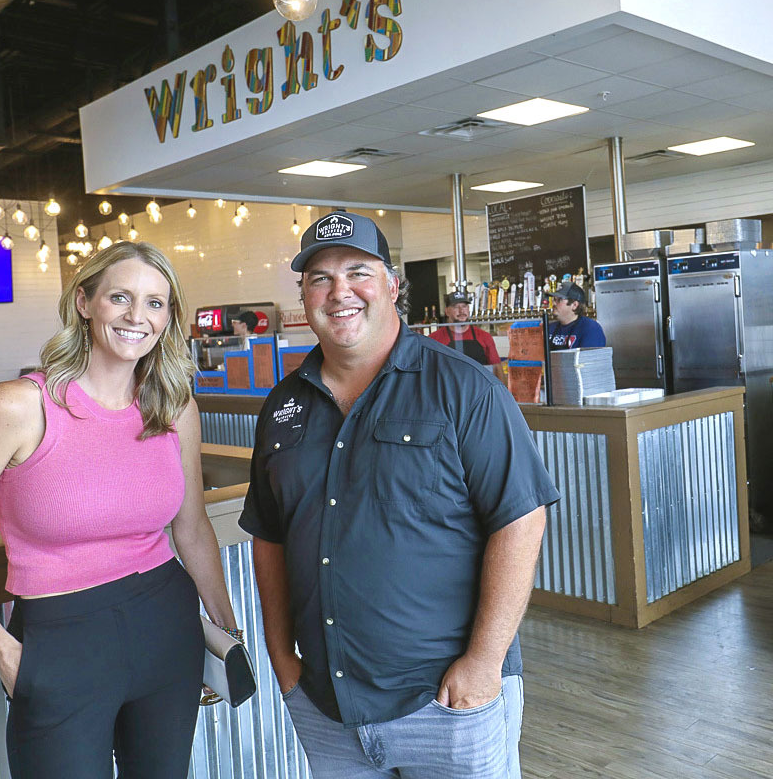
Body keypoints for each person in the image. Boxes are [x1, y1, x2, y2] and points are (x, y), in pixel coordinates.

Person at [240, 211, 560, 778]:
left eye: (358, 272)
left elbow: (520, 521)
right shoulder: (284, 405)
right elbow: (270, 535)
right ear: (305, 296)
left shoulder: (464, 388)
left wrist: (483, 666)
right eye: (320, 278)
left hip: (446, 701)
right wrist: (282, 656)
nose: (340, 292)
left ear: (391, 285)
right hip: (327, 703)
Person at [0, 241, 238, 778]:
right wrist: (0, 649)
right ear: (86, 302)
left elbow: (191, 527)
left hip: (167, 625)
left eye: (156, 303)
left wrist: (226, 632)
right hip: (60, 636)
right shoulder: (19, 406)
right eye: (121, 297)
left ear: (169, 318)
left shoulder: (174, 406)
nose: (138, 317)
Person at [428, 290, 501, 366]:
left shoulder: (485, 337)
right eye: (456, 307)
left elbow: (496, 368)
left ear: (468, 309)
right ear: (447, 311)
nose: (461, 311)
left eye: (464, 306)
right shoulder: (434, 339)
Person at [545, 280, 605, 350]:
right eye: (554, 300)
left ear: (574, 305)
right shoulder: (549, 328)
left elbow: (589, 359)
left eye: (559, 300)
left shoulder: (591, 329)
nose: (554, 304)